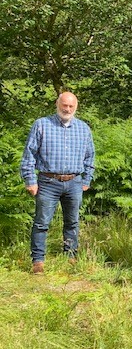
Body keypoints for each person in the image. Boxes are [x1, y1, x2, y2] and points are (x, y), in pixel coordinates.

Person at [20, 92, 95, 274]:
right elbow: (29, 154)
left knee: (72, 222)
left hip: (74, 182)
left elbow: (90, 156)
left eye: (71, 106)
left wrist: (86, 179)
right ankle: (38, 260)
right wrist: (30, 180)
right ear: (57, 104)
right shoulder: (42, 124)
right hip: (47, 182)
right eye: (64, 105)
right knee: (41, 222)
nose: (67, 109)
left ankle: (70, 256)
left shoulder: (83, 128)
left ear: (76, 107)